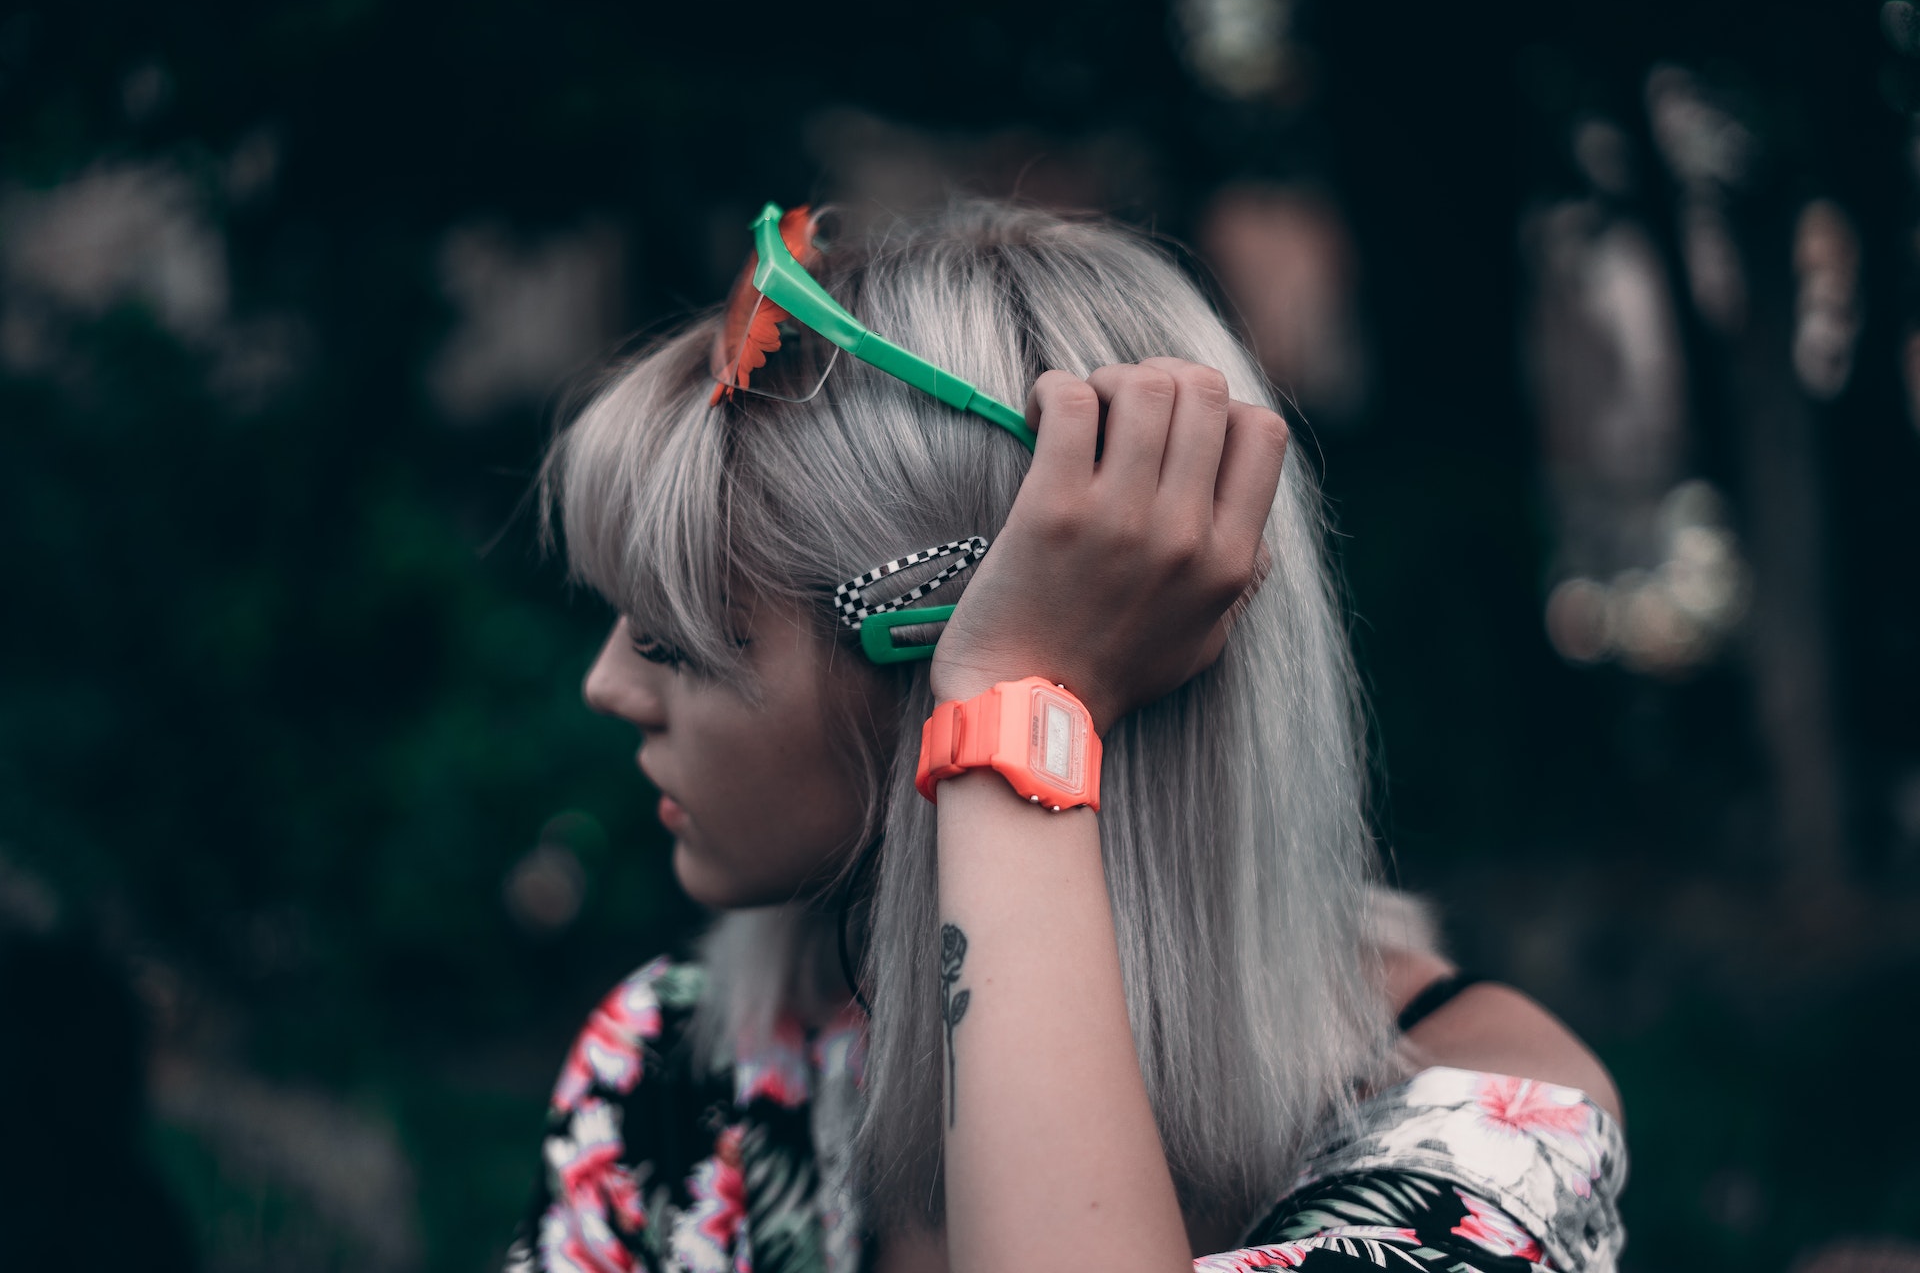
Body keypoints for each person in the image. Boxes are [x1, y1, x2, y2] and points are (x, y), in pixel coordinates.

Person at [504, 200, 1626, 1273]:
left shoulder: (1485, 1120)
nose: (608, 686)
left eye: (675, 644)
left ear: (924, 652)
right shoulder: (680, 1066)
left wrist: (1013, 693)